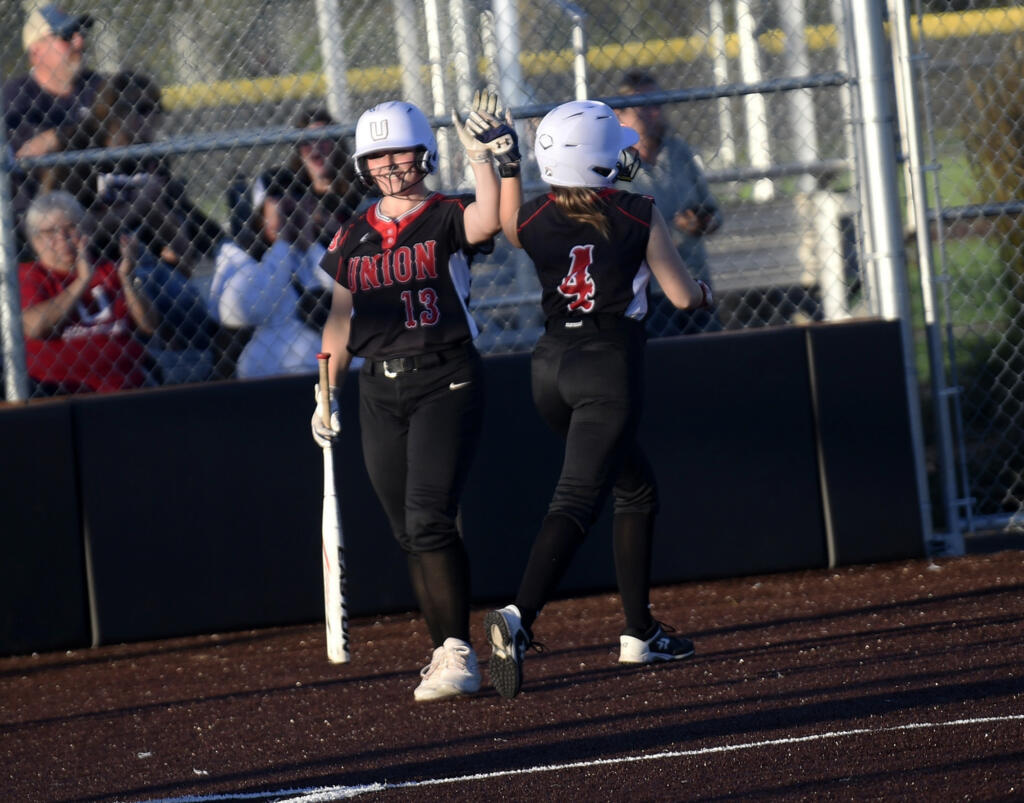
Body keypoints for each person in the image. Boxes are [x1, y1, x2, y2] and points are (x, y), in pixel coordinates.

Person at [483, 99, 712, 700]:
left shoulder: (534, 218)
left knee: (634, 486)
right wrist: (707, 289)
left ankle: (639, 631)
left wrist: (506, 165)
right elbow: (683, 297)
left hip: (550, 370)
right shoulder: (638, 212)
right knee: (577, 500)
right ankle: (519, 617)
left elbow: (508, 225)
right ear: (605, 159)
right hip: (607, 369)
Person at [311, 92, 519, 701]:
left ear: (422, 153)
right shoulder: (353, 234)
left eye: (398, 152)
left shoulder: (446, 213)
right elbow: (340, 319)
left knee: (429, 517)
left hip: (445, 376)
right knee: (408, 528)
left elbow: (488, 219)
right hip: (378, 386)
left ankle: (457, 651)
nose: (389, 165)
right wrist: (325, 389)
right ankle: (444, 649)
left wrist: (482, 155)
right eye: (377, 156)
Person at [43, 71, 223, 384]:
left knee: (194, 307)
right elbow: (71, 226)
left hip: (142, 262)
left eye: (155, 110)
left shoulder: (149, 155)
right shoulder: (81, 147)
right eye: (141, 109)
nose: (151, 119)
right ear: (114, 110)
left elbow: (180, 238)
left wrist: (158, 209)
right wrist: (139, 207)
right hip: (92, 264)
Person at [614, 69, 723, 336]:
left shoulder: (678, 152)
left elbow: (712, 209)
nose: (654, 113)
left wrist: (702, 222)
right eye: (642, 106)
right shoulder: (614, 164)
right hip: (647, 290)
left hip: (694, 279)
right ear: (621, 116)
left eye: (657, 104)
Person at [18, 190, 157, 396]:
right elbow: (36, 327)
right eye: (50, 232)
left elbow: (149, 325)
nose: (63, 239)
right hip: (59, 391)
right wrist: (82, 281)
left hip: (126, 384)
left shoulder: (109, 269)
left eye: (71, 228)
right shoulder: (30, 274)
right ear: (36, 241)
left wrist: (128, 279)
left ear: (86, 231)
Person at [3, 4, 103, 260]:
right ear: (36, 51)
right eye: (66, 37)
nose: (79, 42)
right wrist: (76, 136)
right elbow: (31, 164)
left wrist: (58, 137)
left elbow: (123, 132)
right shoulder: (17, 99)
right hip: (42, 218)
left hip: (103, 203)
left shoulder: (98, 87)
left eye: (80, 34)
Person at [209, 172, 330, 379]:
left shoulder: (324, 249)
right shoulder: (238, 253)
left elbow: (348, 296)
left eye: (298, 193)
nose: (289, 201)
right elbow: (246, 310)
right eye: (277, 195)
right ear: (259, 212)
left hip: (329, 375)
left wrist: (309, 244)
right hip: (267, 380)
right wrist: (282, 242)